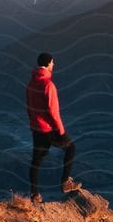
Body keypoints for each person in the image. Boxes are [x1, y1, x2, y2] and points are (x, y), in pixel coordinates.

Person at [26, 52, 81, 202]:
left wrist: (33, 121)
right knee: (71, 148)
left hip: (36, 128)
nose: (54, 64)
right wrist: (60, 130)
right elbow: (53, 110)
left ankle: (35, 194)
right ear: (48, 63)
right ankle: (65, 183)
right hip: (49, 129)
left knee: (36, 161)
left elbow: (29, 106)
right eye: (53, 62)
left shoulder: (31, 82)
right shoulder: (48, 85)